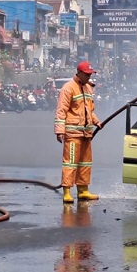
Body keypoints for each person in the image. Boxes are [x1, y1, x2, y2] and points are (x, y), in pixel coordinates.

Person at [54, 61, 102, 203]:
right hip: (73, 134)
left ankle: (83, 191)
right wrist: (59, 131)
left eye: (90, 74)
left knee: (85, 163)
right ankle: (67, 192)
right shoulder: (68, 88)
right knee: (70, 163)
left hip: (86, 133)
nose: (88, 77)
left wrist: (96, 121)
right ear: (79, 73)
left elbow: (89, 110)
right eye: (87, 74)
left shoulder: (88, 88)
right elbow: (61, 110)